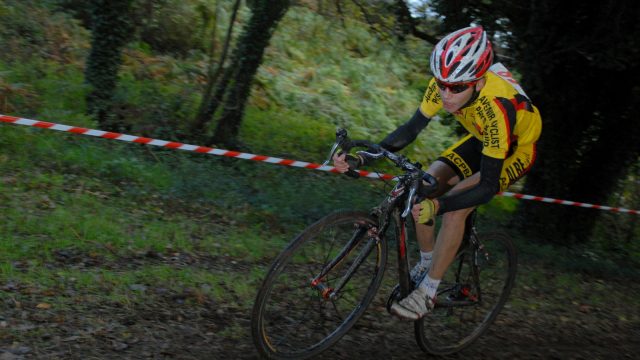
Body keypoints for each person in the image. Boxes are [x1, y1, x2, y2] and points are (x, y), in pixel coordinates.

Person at [333, 26, 542, 320]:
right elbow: (410, 129)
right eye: (441, 84)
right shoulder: (446, 83)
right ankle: (428, 262)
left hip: (516, 148)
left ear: (479, 82)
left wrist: (440, 206)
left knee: (456, 207)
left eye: (456, 89)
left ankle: (428, 291)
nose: (446, 94)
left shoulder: (496, 107)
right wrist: (363, 157)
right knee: (425, 186)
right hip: (482, 138)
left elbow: (486, 186)